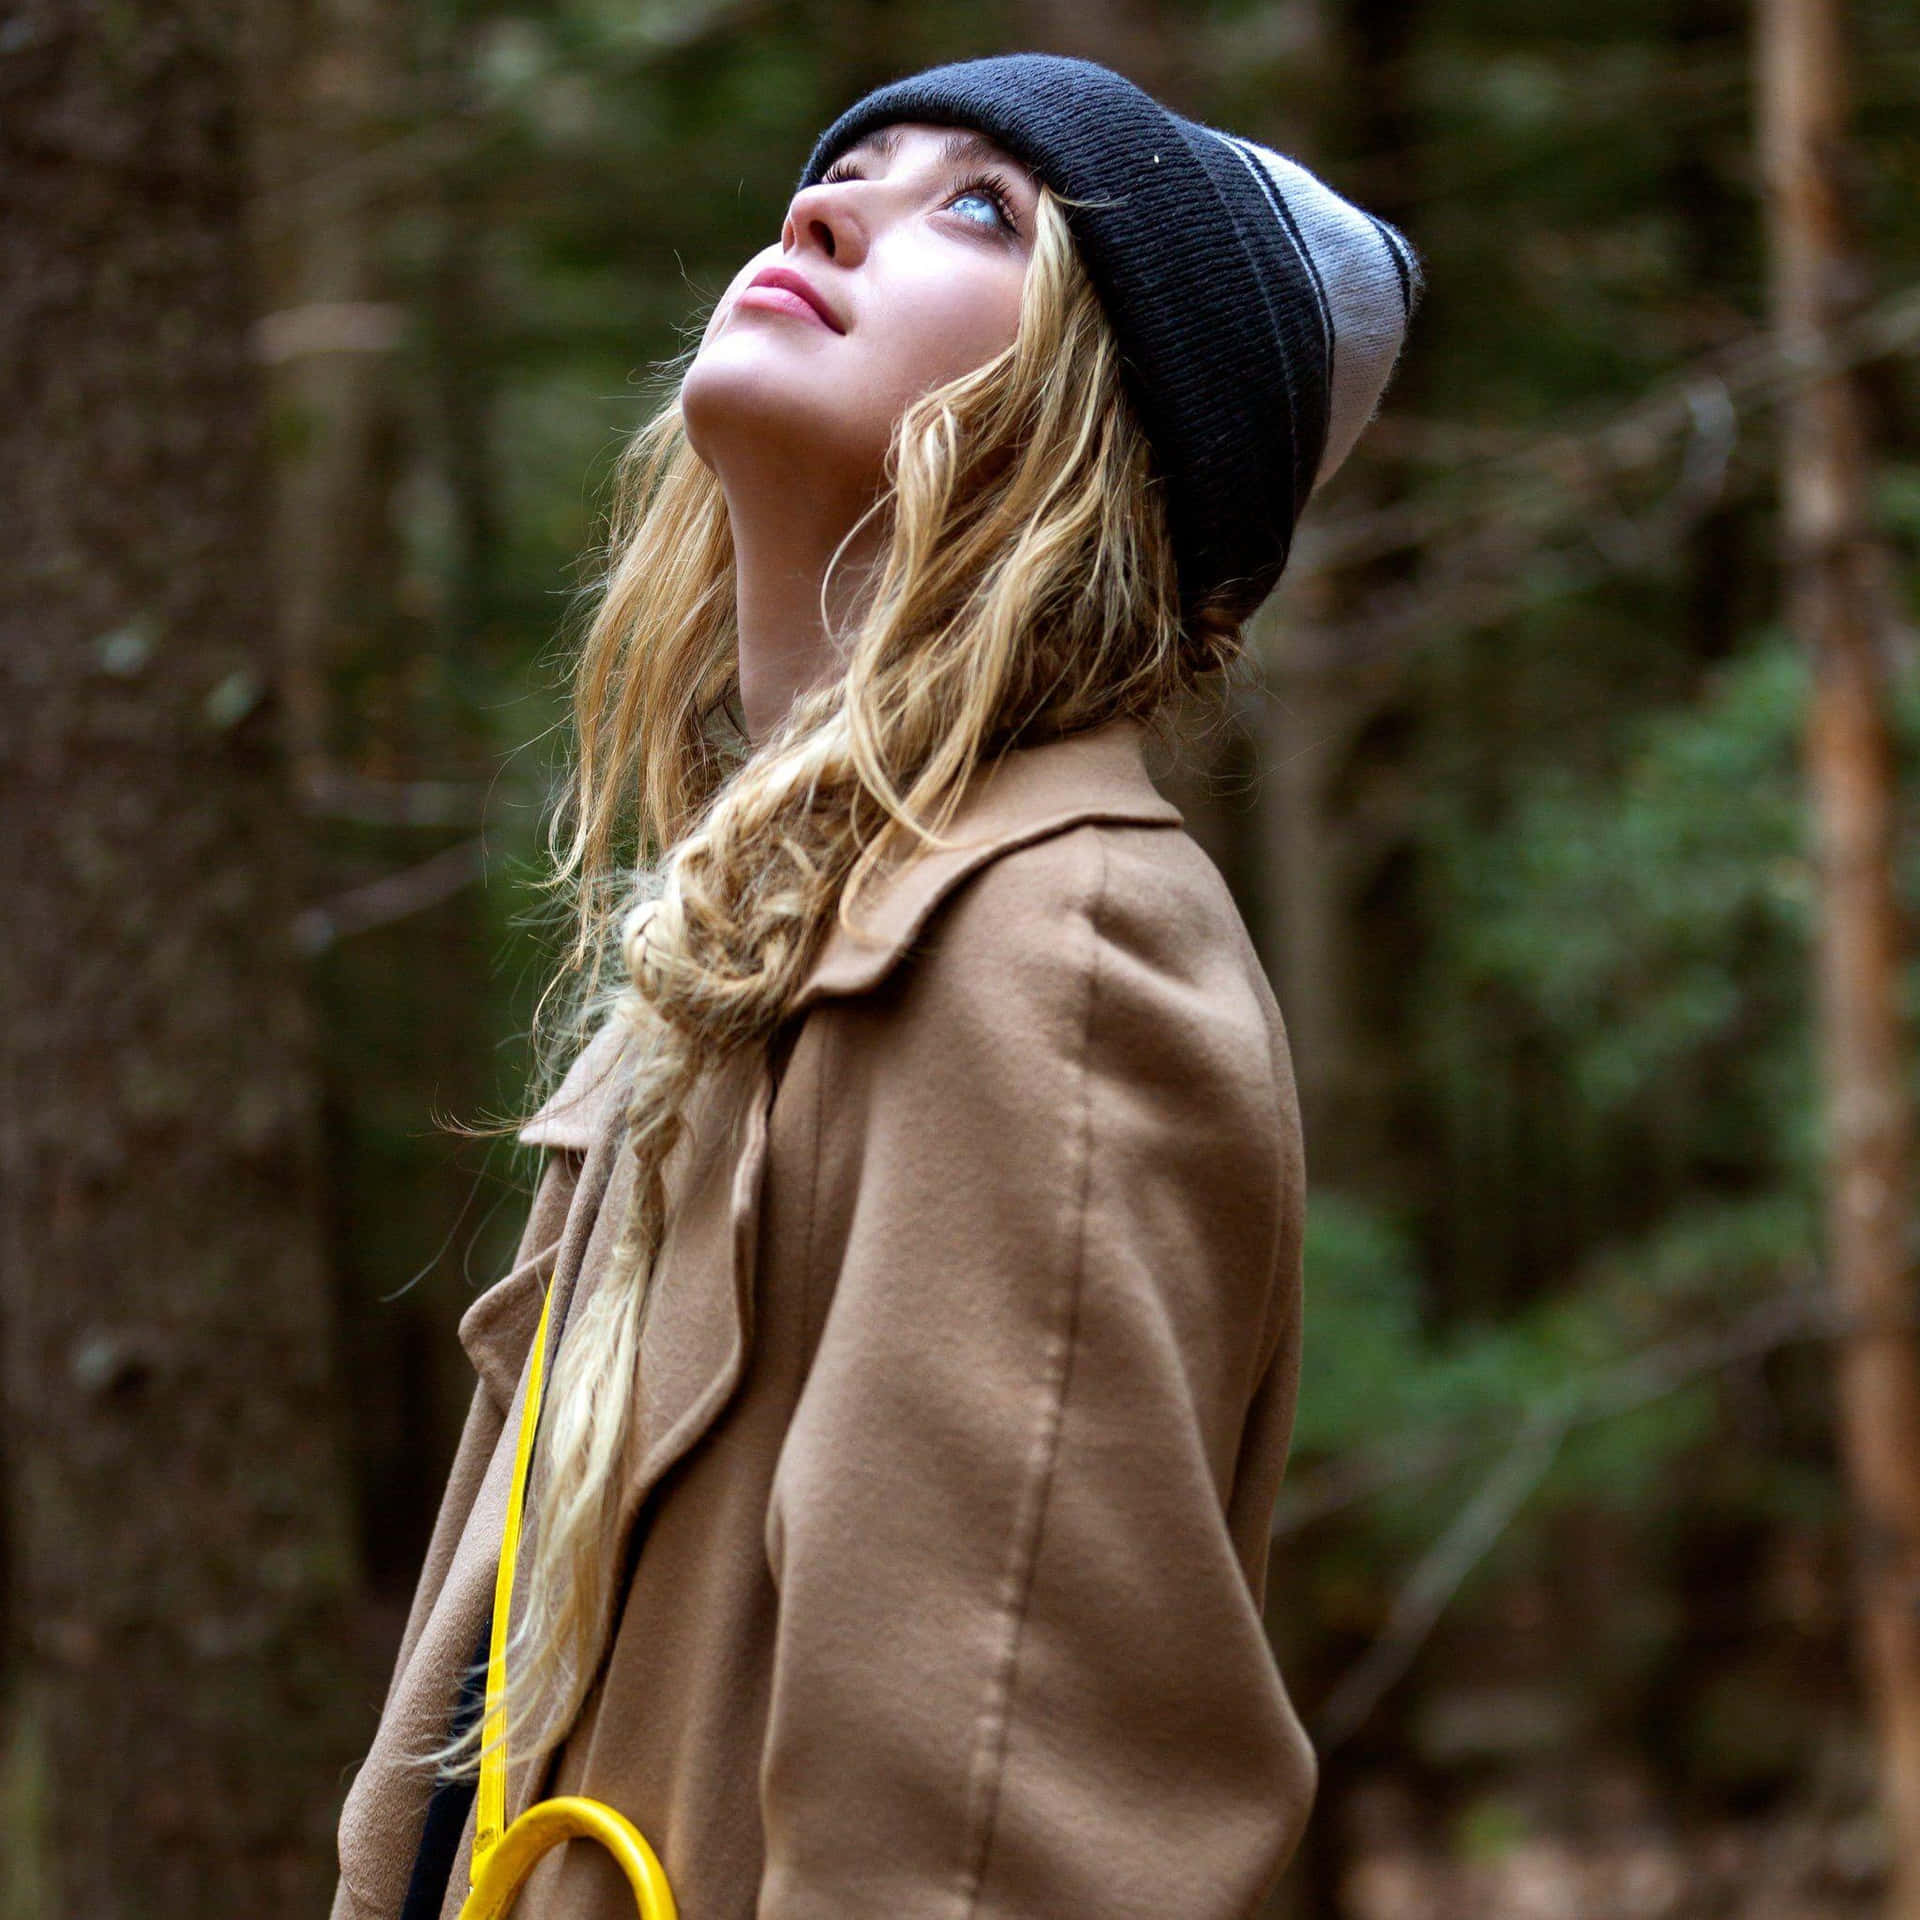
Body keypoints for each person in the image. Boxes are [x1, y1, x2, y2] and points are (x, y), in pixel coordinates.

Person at [330, 50, 1418, 1920]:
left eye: (980, 210)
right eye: (849, 172)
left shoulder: (1050, 939)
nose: (822, 207)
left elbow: (1006, 1834)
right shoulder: (738, 968)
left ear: (1101, 425)